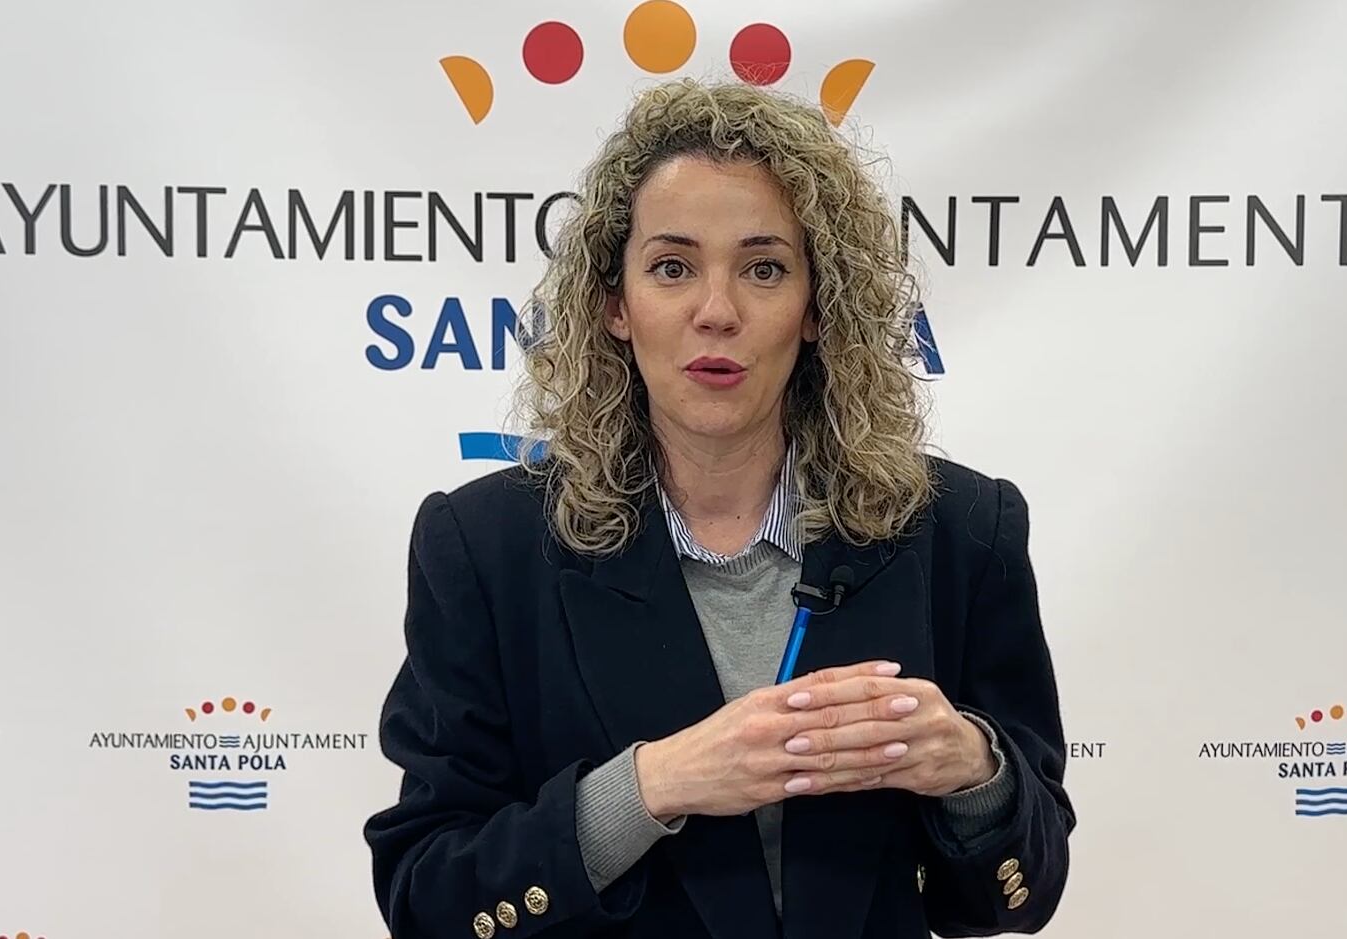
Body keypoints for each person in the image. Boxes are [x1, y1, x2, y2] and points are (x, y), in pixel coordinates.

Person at [364, 78, 1074, 939]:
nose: (717, 312)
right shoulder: (486, 547)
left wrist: (973, 770)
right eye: (672, 267)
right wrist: (651, 786)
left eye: (764, 268)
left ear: (816, 308)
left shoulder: (961, 529)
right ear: (615, 305)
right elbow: (428, 896)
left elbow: (1023, 895)